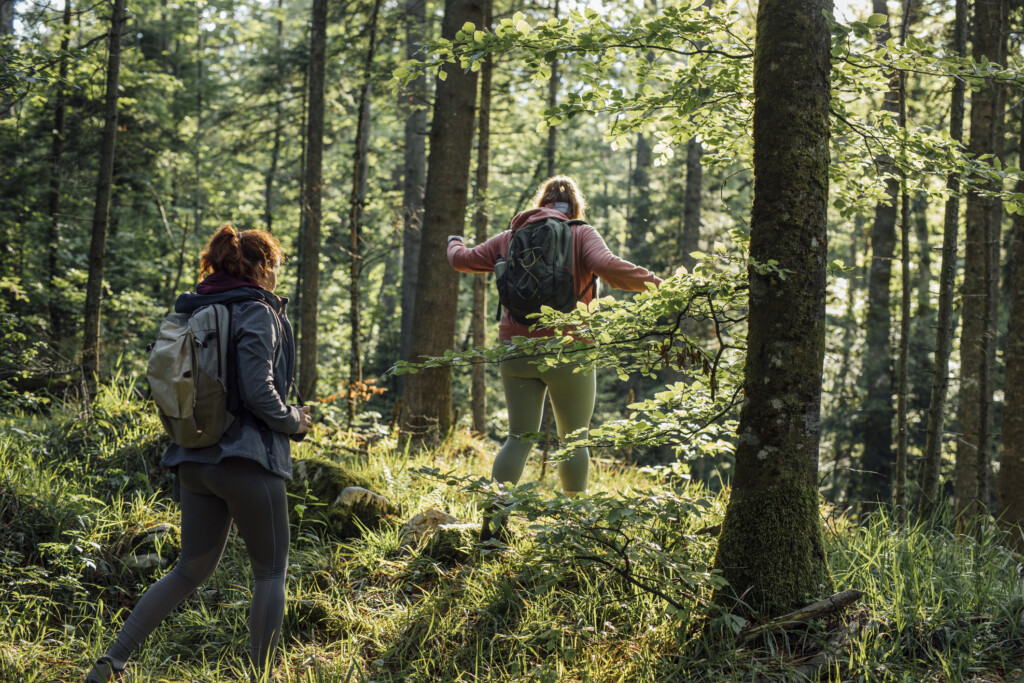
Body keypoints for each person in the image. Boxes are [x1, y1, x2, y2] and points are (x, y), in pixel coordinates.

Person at [86, 225, 313, 683]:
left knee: (189, 569)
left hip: (194, 459)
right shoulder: (256, 310)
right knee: (270, 572)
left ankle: (111, 663)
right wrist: (295, 420)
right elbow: (258, 392)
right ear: (262, 266)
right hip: (247, 460)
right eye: (274, 267)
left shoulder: (197, 309)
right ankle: (261, 677)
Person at [446, 176, 661, 538]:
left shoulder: (510, 237)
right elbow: (607, 266)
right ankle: (574, 529)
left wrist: (454, 241)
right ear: (574, 207)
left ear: (541, 203)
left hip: (516, 349)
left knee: (518, 437)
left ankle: (493, 529)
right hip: (569, 350)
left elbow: (462, 260)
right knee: (574, 439)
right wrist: (659, 284)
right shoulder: (581, 233)